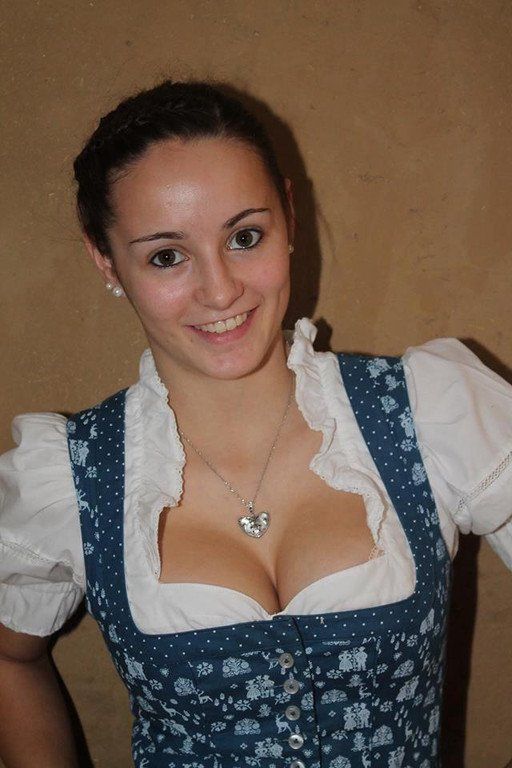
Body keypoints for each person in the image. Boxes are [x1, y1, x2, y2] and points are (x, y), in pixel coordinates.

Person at [0, 78, 511, 768]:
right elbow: (9, 653)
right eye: (167, 256)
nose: (220, 291)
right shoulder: (68, 477)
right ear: (105, 260)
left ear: (289, 219)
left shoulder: (427, 414)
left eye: (244, 237)